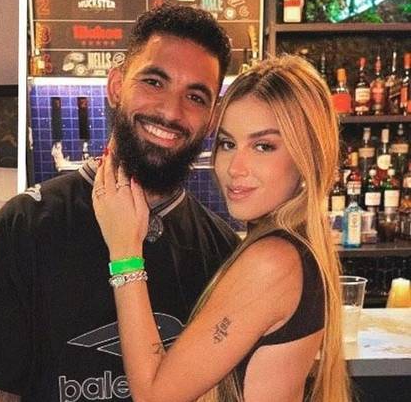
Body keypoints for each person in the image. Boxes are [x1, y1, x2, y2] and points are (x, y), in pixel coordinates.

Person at [0, 5, 239, 401]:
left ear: (211, 118)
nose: (171, 111)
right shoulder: (23, 226)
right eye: (154, 82)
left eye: (195, 96)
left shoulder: (225, 253)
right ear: (116, 86)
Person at [93, 55, 351, 401]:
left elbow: (155, 396)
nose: (235, 168)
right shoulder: (294, 247)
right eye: (228, 144)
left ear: (308, 157)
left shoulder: (272, 262)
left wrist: (125, 250)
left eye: (263, 146)